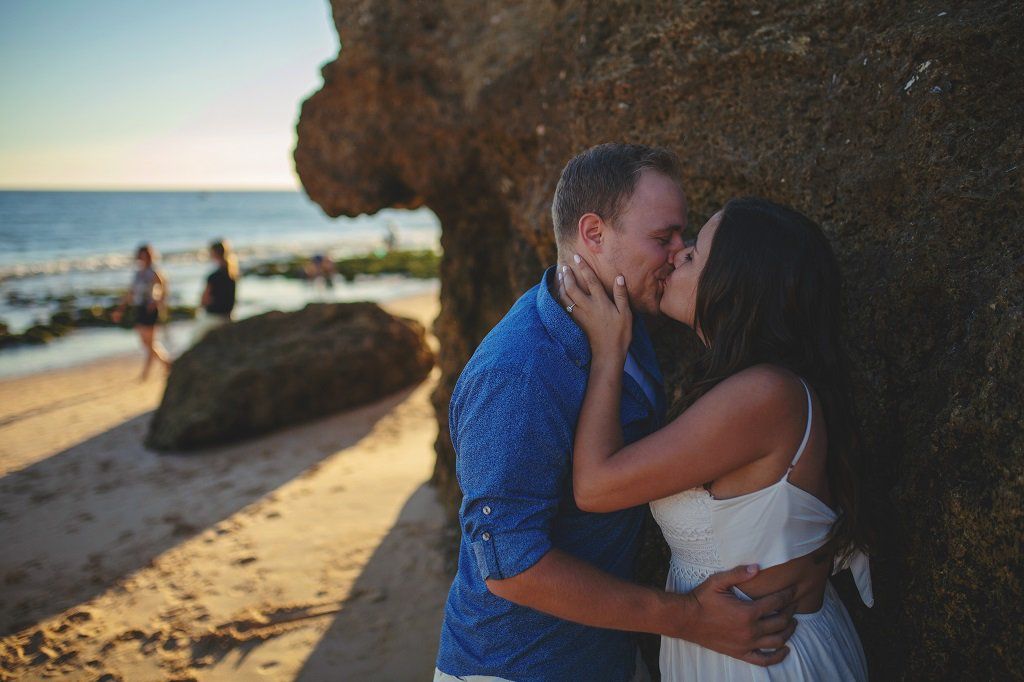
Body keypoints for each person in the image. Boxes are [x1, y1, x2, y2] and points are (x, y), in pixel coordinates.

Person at [435, 145, 799, 682]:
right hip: (515, 669)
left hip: (601, 658)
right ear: (594, 234)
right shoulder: (520, 369)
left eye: (684, 238)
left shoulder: (624, 323)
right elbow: (509, 567)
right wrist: (686, 617)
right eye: (663, 237)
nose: (679, 253)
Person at [557, 197, 874, 680]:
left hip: (764, 660)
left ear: (738, 281)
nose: (677, 255)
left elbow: (596, 487)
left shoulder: (763, 395)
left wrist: (608, 350)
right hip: (740, 644)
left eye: (696, 251)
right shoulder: (754, 388)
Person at [113, 243, 171, 380]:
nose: (142, 257)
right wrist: (120, 309)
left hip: (149, 309)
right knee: (146, 343)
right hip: (139, 308)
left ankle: (146, 373)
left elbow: (165, 288)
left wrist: (158, 303)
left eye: (145, 255)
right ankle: (166, 363)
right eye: (141, 255)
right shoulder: (138, 273)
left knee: (150, 343)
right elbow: (131, 293)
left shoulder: (154, 272)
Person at [194, 239, 237, 342]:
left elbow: (203, 300)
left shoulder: (213, 277)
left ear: (214, 254)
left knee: (194, 340)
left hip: (214, 318)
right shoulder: (233, 274)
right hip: (228, 316)